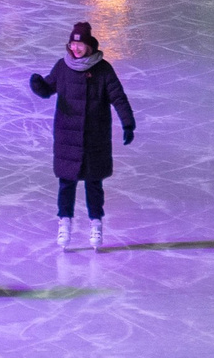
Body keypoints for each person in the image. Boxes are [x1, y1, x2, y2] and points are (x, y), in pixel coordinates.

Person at [29, 19, 135, 248]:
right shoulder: (62, 66)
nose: (75, 49)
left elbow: (118, 96)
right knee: (66, 183)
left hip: (94, 138)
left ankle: (96, 225)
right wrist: (38, 85)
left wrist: (128, 123)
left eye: (80, 45)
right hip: (68, 138)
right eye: (72, 45)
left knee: (93, 184)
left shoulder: (103, 69)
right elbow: (48, 88)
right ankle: (64, 224)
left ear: (89, 46)